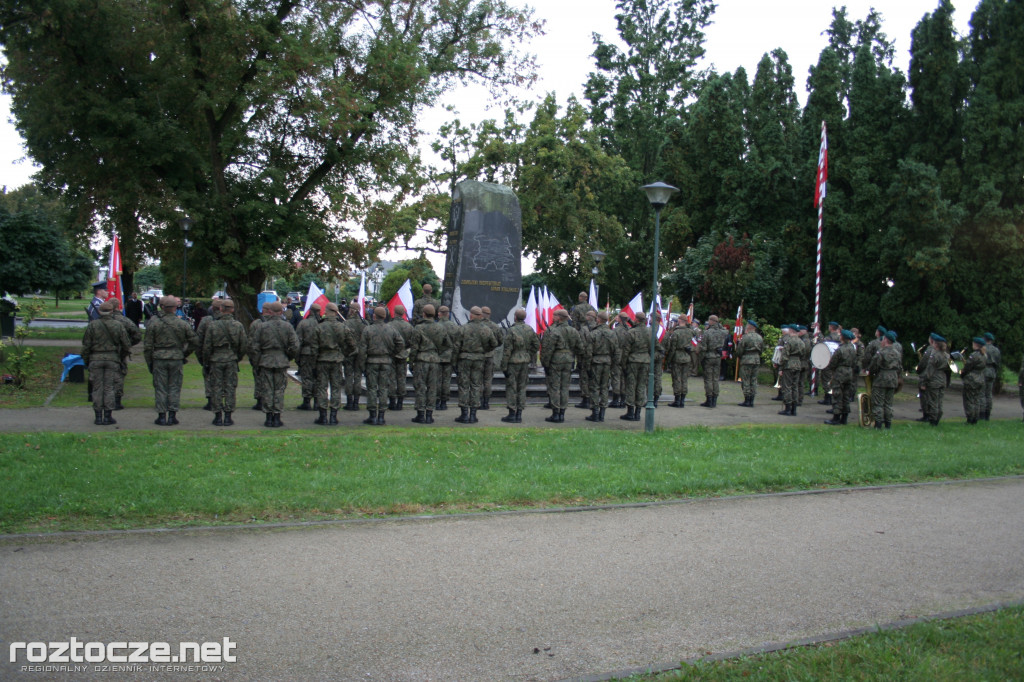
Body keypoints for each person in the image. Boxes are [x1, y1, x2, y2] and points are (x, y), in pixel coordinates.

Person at [143, 296, 198, 426]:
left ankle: (161, 416)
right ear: (175, 308)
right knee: (174, 387)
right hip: (176, 358)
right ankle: (172, 415)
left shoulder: (154, 323)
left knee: (160, 387)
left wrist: (149, 361)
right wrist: (184, 353)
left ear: (162, 307)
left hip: (159, 358)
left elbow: (148, 346)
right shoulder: (182, 323)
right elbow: (195, 341)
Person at [249, 301, 300, 427]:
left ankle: (268, 417)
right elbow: (295, 345)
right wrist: (288, 357)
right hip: (281, 361)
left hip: (266, 361)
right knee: (279, 390)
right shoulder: (287, 327)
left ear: (270, 312)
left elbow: (254, 346)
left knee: (267, 389)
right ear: (281, 312)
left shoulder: (262, 326)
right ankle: (276, 417)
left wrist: (258, 361)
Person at [81, 300, 132, 425]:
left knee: (97, 388)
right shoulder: (118, 325)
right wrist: (120, 357)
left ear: (99, 311)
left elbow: (86, 345)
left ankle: (98, 416)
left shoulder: (93, 325)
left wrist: (87, 360)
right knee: (109, 388)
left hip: (96, 358)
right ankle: (108, 416)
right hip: (112, 359)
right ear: (112, 311)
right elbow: (126, 345)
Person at [203, 299, 247, 426]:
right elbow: (243, 345)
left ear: (221, 309)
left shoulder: (213, 325)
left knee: (216, 387)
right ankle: (228, 416)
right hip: (231, 359)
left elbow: (207, 346)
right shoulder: (238, 325)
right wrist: (237, 357)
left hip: (216, 359)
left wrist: (206, 362)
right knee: (230, 387)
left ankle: (217, 416)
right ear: (232, 310)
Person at [359, 306, 405, 425]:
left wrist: (362, 364)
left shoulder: (368, 330)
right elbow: (401, 344)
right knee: (384, 388)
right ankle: (381, 416)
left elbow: (362, 349)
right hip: (386, 362)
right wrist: (392, 353)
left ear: (374, 316)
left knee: (372, 388)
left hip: (372, 362)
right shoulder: (391, 329)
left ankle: (372, 415)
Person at [453, 306, 499, 423]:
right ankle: (473, 414)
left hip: (464, 359)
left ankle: (464, 414)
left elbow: (456, 347)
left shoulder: (463, 328)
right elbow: (494, 343)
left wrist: (454, 362)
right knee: (476, 385)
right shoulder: (486, 329)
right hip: (479, 359)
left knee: (464, 386)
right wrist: (484, 350)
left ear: (471, 315)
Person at [408, 304, 451, 424]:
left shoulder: (419, 328)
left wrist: (411, 362)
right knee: (433, 388)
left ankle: (421, 414)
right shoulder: (441, 328)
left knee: (420, 387)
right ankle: (429, 415)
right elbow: (447, 344)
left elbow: (414, 347)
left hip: (422, 360)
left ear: (424, 314)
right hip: (435, 360)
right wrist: (438, 352)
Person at [311, 302, 351, 425]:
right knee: (336, 388)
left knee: (322, 387)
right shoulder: (342, 327)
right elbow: (351, 344)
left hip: (322, 360)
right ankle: (333, 416)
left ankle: (323, 416)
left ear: (326, 311)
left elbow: (314, 347)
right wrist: (343, 353)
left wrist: (314, 362)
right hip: (336, 360)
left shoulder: (319, 327)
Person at [540, 308, 580, 423]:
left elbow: (547, 349)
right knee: (565, 387)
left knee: (555, 387)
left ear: (559, 318)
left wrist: (545, 364)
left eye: (554, 316)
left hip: (556, 361)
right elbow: (580, 347)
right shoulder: (573, 331)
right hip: (568, 361)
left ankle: (556, 413)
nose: (552, 318)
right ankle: (562, 413)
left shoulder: (553, 331)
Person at [501, 308, 540, 423]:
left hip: (513, 362)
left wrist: (503, 366)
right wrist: (528, 354)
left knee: (512, 387)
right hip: (525, 361)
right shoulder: (529, 329)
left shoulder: (512, 330)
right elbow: (536, 344)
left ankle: (512, 413)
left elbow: (507, 350)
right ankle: (519, 414)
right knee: (522, 387)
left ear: (515, 317)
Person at [109, 297, 142, 410]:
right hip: (120, 353)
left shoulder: (100, 321)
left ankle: (104, 400)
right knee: (119, 376)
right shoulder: (124, 320)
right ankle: (117, 401)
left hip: (101, 353)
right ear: (119, 306)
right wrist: (127, 345)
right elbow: (137, 335)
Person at [585, 310, 618, 422]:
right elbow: (616, 350)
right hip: (607, 362)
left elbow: (588, 352)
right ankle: (602, 413)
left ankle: (595, 413)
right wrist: (614, 363)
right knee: (604, 387)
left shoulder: (593, 333)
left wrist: (587, 366)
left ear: (598, 319)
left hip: (596, 362)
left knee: (594, 387)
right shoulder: (612, 333)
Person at [620, 311, 653, 422]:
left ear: (637, 319)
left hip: (633, 361)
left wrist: (623, 364)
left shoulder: (631, 332)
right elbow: (655, 347)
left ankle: (630, 412)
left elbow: (626, 351)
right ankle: (638, 412)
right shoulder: (650, 332)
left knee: (631, 385)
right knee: (641, 386)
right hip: (645, 361)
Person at [824, 329, 858, 426]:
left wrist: (831, 369)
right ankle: (844, 418)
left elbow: (833, 362)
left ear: (843, 337)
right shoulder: (853, 348)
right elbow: (855, 361)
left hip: (840, 373)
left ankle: (836, 417)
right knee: (846, 396)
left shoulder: (840, 349)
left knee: (837, 395)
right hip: (849, 372)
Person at [868, 331, 901, 429]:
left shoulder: (881, 352)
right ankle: (888, 424)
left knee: (878, 402)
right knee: (888, 403)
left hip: (881, 378)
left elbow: (874, 366)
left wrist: (871, 372)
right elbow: (899, 366)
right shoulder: (897, 353)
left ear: (886, 339)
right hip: (893, 378)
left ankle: (878, 424)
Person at [195, 298, 223, 411]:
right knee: (225, 379)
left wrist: (201, 357)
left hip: (210, 354)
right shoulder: (231, 321)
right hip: (227, 356)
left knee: (209, 377)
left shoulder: (206, 321)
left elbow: (199, 340)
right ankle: (221, 400)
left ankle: (211, 401)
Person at [295, 302, 323, 411]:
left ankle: (306, 401)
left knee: (307, 377)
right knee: (318, 377)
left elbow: (298, 341)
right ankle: (317, 401)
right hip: (319, 354)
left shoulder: (303, 323)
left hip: (306, 353)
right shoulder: (321, 324)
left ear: (310, 311)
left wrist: (297, 357)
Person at [697, 314, 728, 407]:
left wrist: (700, 358)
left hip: (709, 356)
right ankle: (714, 399)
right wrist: (719, 324)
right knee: (715, 379)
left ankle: (709, 399)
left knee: (708, 379)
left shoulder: (707, 333)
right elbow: (726, 331)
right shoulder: (722, 332)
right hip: (717, 357)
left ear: (711, 321)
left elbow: (703, 347)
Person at [387, 305, 414, 410]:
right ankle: (400, 402)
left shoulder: (389, 325)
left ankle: (392, 401)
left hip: (392, 355)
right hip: (402, 355)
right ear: (403, 313)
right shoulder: (409, 327)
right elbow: (412, 342)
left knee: (392, 378)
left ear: (394, 312)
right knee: (401, 378)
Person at [921, 332, 951, 426]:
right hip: (942, 379)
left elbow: (929, 370)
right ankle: (938, 416)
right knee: (939, 401)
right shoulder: (946, 355)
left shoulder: (934, 355)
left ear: (936, 344)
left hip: (934, 379)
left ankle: (933, 421)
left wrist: (924, 382)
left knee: (933, 401)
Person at [664, 318, 694, 408]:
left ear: (679, 321)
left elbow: (672, 348)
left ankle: (677, 400)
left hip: (677, 357)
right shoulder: (690, 331)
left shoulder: (676, 333)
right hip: (687, 357)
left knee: (677, 379)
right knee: (684, 379)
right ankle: (682, 400)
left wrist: (668, 360)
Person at [342, 303, 366, 411]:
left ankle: (349, 401)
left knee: (348, 376)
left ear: (351, 310)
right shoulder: (364, 324)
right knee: (358, 377)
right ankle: (356, 402)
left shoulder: (346, 323)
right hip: (361, 354)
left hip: (349, 353)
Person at [248, 301, 271, 411]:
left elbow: (251, 342)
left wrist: (252, 357)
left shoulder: (256, 323)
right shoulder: (278, 323)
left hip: (259, 355)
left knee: (258, 378)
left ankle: (260, 400)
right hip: (273, 357)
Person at [480, 306, 503, 410]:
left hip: (479, 356)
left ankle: (479, 401)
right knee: (488, 379)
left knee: (478, 380)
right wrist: (491, 348)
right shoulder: (495, 326)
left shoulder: (478, 325)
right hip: (490, 356)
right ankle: (486, 402)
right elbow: (500, 341)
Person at [736, 320, 764, 407]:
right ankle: (752, 399)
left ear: (748, 327)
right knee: (753, 380)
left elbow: (740, 350)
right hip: (756, 359)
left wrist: (740, 355)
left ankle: (747, 399)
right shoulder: (760, 337)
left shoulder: (746, 337)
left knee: (746, 380)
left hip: (747, 359)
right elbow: (762, 350)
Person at [435, 305, 458, 411]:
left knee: (437, 380)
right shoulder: (454, 326)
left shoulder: (436, 326)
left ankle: (436, 401)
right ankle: (444, 402)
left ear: (439, 314)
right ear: (448, 314)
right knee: (446, 380)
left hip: (437, 357)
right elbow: (457, 342)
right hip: (449, 357)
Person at [777, 325, 803, 417]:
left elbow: (784, 355)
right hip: (798, 364)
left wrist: (781, 368)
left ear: (791, 331)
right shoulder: (801, 341)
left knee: (787, 386)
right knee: (795, 386)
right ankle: (794, 409)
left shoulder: (789, 341)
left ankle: (787, 408)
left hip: (789, 365)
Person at [575, 310, 598, 409]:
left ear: (588, 317)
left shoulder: (584, 329)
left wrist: (579, 358)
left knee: (584, 379)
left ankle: (586, 400)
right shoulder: (599, 328)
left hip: (585, 358)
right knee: (595, 380)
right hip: (598, 358)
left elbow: (581, 345)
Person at [961, 337, 988, 425]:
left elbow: (968, 366)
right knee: (976, 399)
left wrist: (962, 373)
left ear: (976, 345)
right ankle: (975, 417)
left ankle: (970, 418)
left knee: (969, 399)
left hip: (972, 379)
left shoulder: (974, 355)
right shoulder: (984, 355)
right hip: (980, 378)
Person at [609, 312, 632, 408]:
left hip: (617, 355)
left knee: (616, 378)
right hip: (627, 356)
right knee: (624, 378)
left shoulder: (616, 331)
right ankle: (623, 400)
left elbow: (612, 344)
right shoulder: (630, 330)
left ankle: (615, 400)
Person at [818, 321, 842, 405]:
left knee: (826, 379)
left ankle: (828, 398)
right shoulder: (840, 337)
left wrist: (819, 332)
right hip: (837, 362)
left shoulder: (830, 337)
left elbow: (822, 344)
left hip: (828, 361)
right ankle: (830, 397)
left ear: (831, 327)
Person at [982, 332, 1001, 421]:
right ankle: (987, 413)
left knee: (982, 393)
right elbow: (998, 362)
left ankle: (981, 413)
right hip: (992, 371)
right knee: (989, 394)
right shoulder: (996, 350)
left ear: (985, 339)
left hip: (984, 371)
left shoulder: (983, 348)